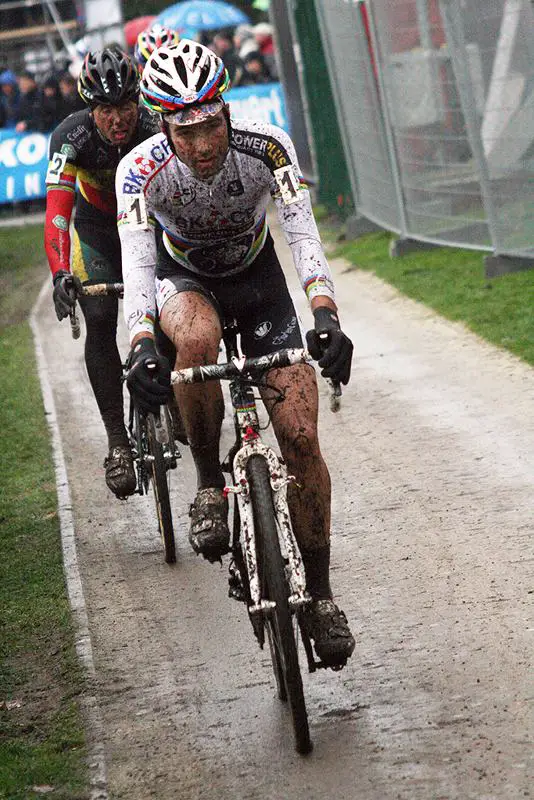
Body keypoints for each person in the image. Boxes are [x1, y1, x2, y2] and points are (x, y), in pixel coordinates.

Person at [116, 40, 355, 668]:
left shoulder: (266, 146)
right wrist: (141, 342)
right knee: (194, 342)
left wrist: (325, 313)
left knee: (301, 437)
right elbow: (138, 265)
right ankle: (206, 484)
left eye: (212, 124)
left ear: (227, 109)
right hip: (183, 280)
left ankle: (323, 596)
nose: (202, 144)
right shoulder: (139, 171)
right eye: (186, 130)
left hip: (259, 281)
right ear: (164, 125)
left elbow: (301, 231)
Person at [44, 47, 159, 499]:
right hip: (95, 233)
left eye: (127, 106)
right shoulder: (70, 138)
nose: (118, 119)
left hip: (148, 225)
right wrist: (59, 273)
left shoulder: (154, 125)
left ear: (138, 102)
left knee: (167, 307)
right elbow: (57, 214)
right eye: (107, 110)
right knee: (100, 316)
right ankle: (117, 441)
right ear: (91, 109)